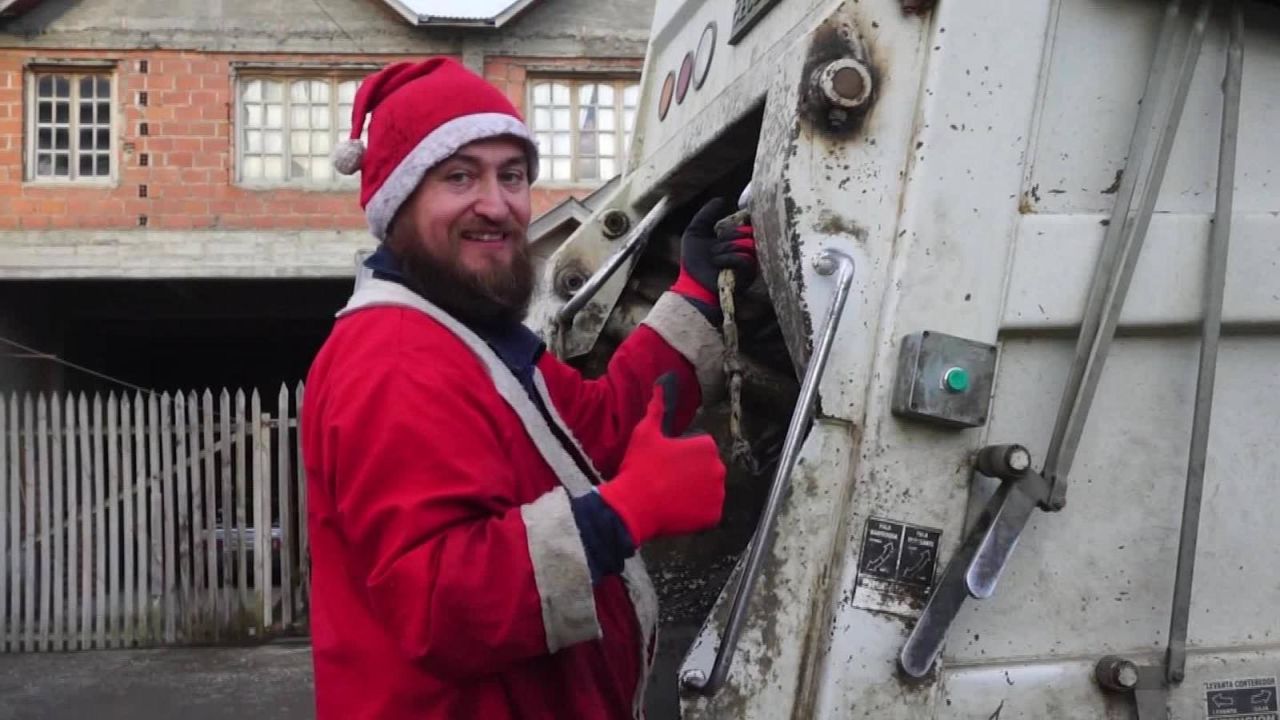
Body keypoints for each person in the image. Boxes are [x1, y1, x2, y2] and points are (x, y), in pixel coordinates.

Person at [301, 57, 758, 720]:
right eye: (460, 176)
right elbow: (441, 604)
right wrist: (627, 511)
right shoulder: (396, 361)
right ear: (399, 202)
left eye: (511, 176)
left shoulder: (465, 334)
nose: (496, 204)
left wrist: (694, 295)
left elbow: (595, 429)